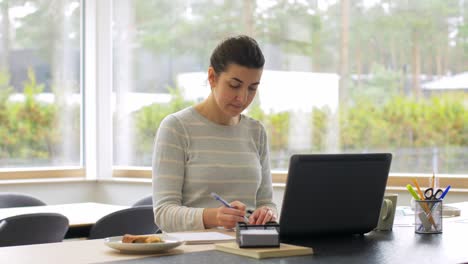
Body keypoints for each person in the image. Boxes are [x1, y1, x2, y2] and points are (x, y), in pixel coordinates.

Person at [152, 35, 277, 232]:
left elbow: (266, 203)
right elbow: (163, 214)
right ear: (212, 77)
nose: (242, 98)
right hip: (193, 253)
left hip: (248, 248)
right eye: (234, 85)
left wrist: (267, 214)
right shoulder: (176, 127)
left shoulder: (256, 132)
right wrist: (213, 217)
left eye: (252, 88)